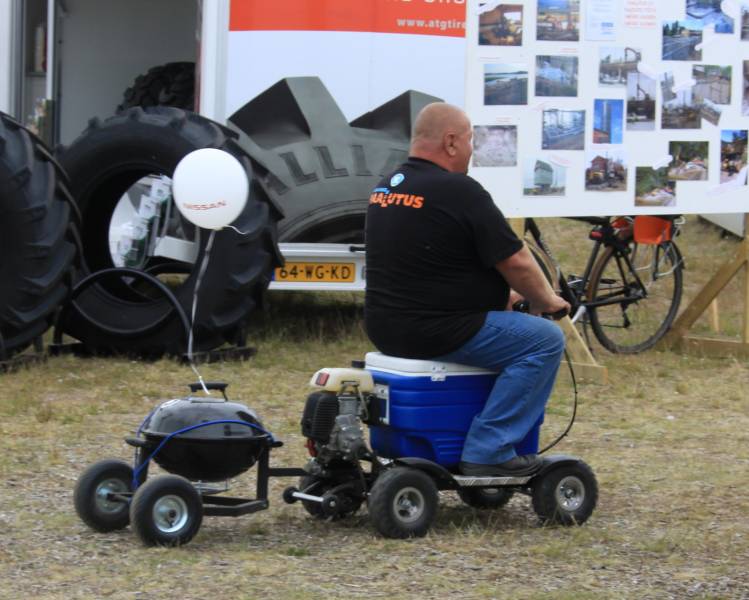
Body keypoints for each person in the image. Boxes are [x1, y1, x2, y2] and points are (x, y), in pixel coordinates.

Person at [364, 102, 570, 477]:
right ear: (452, 142)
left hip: (385, 326)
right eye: (472, 140)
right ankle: (489, 450)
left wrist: (500, 296)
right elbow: (517, 262)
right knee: (543, 340)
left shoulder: (387, 187)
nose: (473, 149)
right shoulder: (459, 190)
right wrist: (548, 301)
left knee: (513, 330)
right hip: (435, 330)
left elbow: (427, 265)